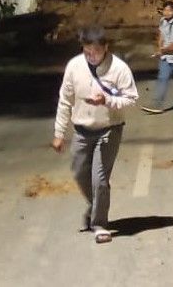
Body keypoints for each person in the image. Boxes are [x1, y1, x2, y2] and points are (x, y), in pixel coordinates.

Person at [51, 25, 138, 244]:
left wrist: (107, 100)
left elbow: (131, 98)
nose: (91, 57)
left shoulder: (119, 69)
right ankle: (95, 204)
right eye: (87, 52)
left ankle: (100, 224)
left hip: (109, 129)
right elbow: (65, 100)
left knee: (99, 178)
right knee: (80, 172)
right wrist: (59, 133)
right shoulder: (74, 66)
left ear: (106, 48)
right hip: (81, 130)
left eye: (96, 52)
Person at [141, 1, 173, 114]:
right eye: (165, 10)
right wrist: (160, 48)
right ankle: (157, 105)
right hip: (166, 57)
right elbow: (161, 34)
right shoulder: (163, 21)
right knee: (162, 79)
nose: (167, 12)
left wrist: (161, 51)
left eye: (170, 10)